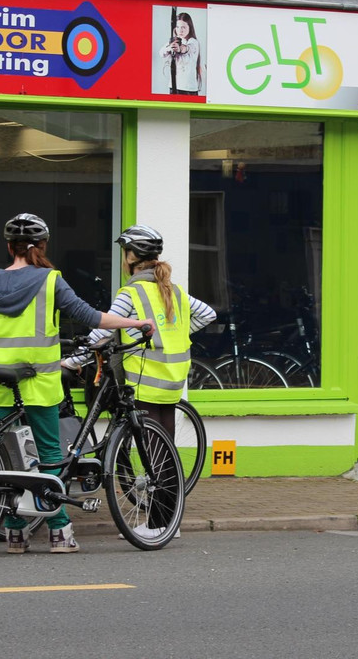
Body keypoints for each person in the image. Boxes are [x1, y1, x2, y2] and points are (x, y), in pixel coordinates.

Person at [0, 213, 154, 555]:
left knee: (8, 460)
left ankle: (16, 533)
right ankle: (59, 532)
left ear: (8, 247)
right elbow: (89, 316)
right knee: (49, 456)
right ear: (41, 246)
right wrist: (136, 321)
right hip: (38, 383)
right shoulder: (49, 280)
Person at [63, 224, 215, 536]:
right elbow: (208, 314)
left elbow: (103, 329)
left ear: (131, 257)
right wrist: (174, 334)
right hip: (172, 380)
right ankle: (170, 521)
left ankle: (160, 525)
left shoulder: (131, 292)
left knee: (155, 457)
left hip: (144, 380)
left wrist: (73, 360)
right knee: (165, 450)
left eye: (124, 253)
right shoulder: (173, 290)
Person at [159, 12, 203, 95]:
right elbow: (161, 53)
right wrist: (170, 47)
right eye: (178, 27)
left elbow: (187, 48)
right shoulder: (173, 40)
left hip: (189, 88)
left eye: (183, 27)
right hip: (174, 86)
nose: (180, 30)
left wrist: (179, 49)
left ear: (190, 27)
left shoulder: (193, 42)